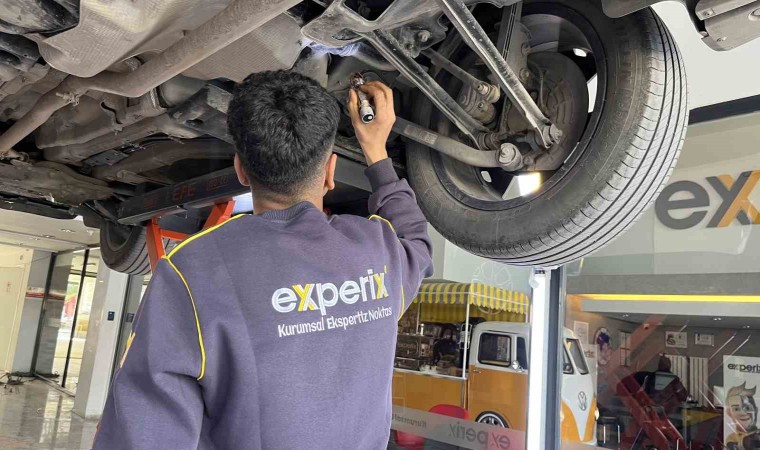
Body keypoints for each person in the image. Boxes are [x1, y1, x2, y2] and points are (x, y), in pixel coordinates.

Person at [93, 71, 434, 449]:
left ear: (241, 170)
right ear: (330, 173)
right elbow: (416, 240)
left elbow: (143, 433)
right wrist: (376, 149)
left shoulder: (194, 273)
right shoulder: (379, 252)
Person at [725, 383, 759, 450]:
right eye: (736, 409)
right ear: (729, 413)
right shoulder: (732, 438)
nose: (743, 413)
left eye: (748, 408)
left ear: (756, 410)